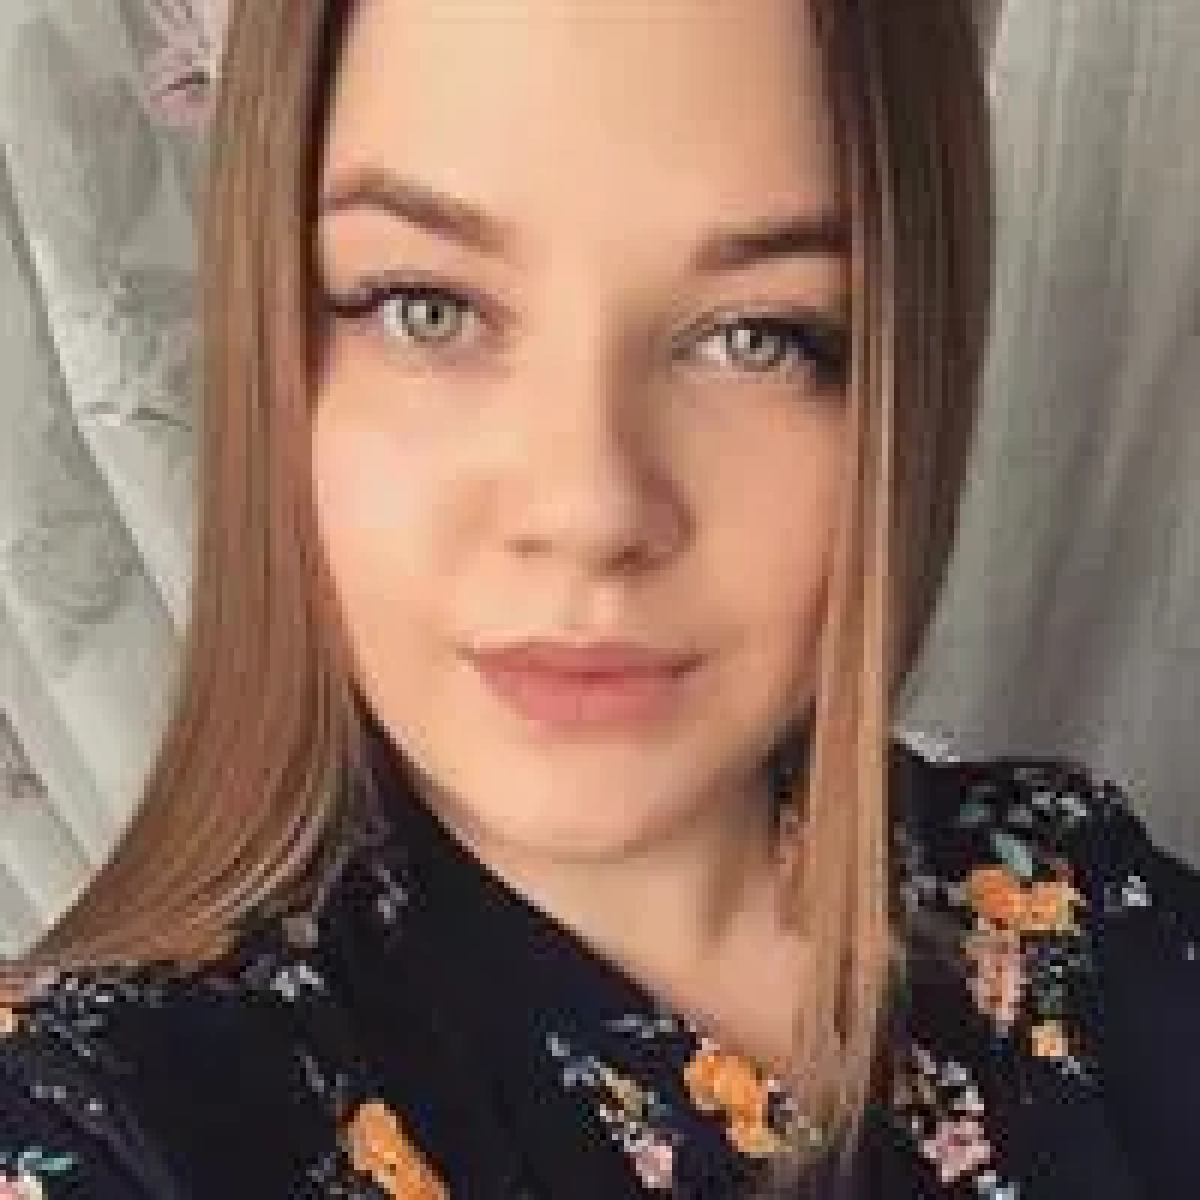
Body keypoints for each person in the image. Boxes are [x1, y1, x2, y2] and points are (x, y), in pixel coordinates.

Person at [1, 0, 1196, 1196]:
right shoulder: (113, 1124)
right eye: (427, 308)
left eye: (758, 336)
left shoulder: (1083, 909)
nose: (591, 508)